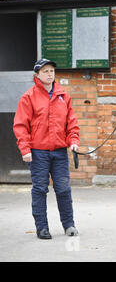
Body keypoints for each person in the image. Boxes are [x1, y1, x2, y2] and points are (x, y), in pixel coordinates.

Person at [13, 58, 80, 240]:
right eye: (45, 71)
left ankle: (69, 225)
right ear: (37, 75)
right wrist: (25, 149)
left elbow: (71, 123)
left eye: (51, 71)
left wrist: (73, 140)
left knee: (64, 189)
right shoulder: (29, 97)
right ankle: (42, 227)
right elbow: (20, 125)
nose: (49, 74)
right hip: (38, 152)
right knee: (40, 189)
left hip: (59, 152)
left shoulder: (63, 96)